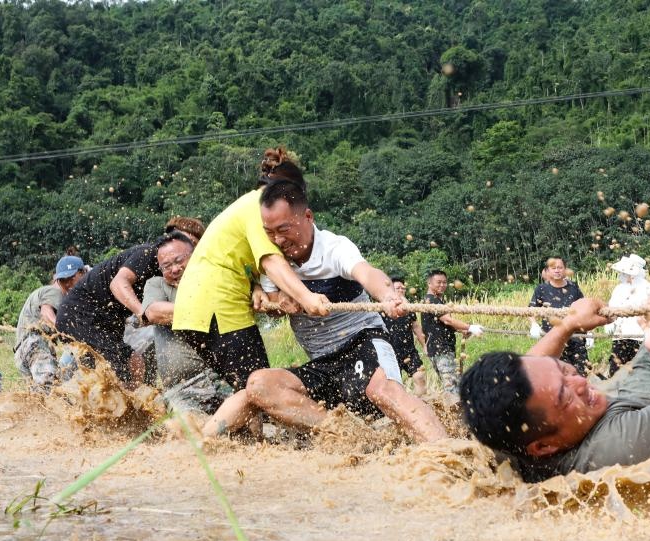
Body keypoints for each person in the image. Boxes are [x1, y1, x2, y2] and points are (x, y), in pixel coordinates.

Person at [460, 228, 650, 482]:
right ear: (544, 448)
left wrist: (568, 325)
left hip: (616, 391)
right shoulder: (610, 447)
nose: (582, 382)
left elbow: (531, 369)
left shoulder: (508, 436)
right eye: (565, 395)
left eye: (565, 370)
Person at [203, 180, 447, 444]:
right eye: (269, 233)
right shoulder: (273, 261)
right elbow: (273, 300)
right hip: (323, 364)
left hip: (363, 343)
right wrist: (273, 300)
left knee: (383, 390)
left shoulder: (334, 248)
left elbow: (367, 273)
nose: (278, 240)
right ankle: (351, 438)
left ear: (308, 216)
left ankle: (449, 450)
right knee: (259, 384)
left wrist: (388, 295)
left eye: (284, 229)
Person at [173, 147, 330, 391]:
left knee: (249, 389)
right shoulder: (260, 208)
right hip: (219, 308)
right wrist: (306, 297)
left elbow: (240, 260)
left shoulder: (246, 205)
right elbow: (271, 261)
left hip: (197, 308)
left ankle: (230, 429)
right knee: (260, 389)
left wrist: (259, 289)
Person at [56, 232, 191, 384]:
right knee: (117, 372)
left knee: (133, 362)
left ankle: (136, 403)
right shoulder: (147, 254)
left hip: (107, 319)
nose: (175, 268)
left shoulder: (174, 272)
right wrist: (141, 312)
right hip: (78, 314)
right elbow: (118, 283)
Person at [140, 225, 233, 415]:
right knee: (194, 429)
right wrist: (206, 310)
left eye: (179, 260)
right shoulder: (157, 284)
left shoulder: (213, 278)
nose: (174, 269)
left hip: (222, 378)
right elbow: (154, 313)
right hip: (181, 389)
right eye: (166, 266)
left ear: (194, 256)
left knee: (249, 421)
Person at [13, 255, 87, 391]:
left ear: (82, 273)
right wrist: (69, 334)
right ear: (57, 279)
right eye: (64, 280)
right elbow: (46, 314)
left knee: (38, 400)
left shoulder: (49, 292)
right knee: (51, 393)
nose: (69, 283)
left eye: (72, 278)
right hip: (36, 347)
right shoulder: (54, 291)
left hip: (22, 352)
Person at [421, 270, 482, 394]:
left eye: (444, 282)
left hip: (438, 348)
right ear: (429, 283)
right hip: (441, 349)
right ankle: (456, 412)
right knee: (453, 387)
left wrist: (463, 329)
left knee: (451, 383)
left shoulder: (434, 300)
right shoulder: (432, 300)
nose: (442, 285)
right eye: (438, 282)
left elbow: (442, 324)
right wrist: (470, 327)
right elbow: (448, 320)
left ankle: (451, 411)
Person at [528, 257, 589, 376]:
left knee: (581, 375)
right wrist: (534, 324)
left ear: (565, 270)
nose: (557, 270)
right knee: (555, 376)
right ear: (548, 271)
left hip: (575, 338)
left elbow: (584, 309)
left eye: (560, 267)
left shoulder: (573, 287)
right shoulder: (541, 289)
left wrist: (588, 332)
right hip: (552, 339)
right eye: (553, 268)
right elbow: (531, 310)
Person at [605, 253, 650, 376]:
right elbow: (612, 309)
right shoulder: (619, 289)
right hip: (621, 337)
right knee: (616, 372)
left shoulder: (649, 288)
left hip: (641, 337)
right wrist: (610, 324)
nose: (624, 275)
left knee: (641, 372)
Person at [383, 276, 427, 396]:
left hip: (409, 350)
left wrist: (424, 345)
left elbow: (416, 327)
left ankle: (421, 405)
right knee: (394, 386)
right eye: (398, 288)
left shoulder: (409, 308)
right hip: (389, 352)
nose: (401, 290)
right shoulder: (383, 307)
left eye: (403, 288)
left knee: (420, 377)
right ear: (391, 290)